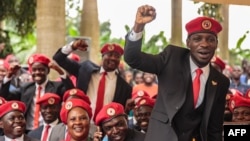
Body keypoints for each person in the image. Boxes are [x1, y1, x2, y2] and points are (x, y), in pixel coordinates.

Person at [123, 5, 230, 141]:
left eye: (210, 39)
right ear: (188, 43)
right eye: (197, 39)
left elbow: (214, 127)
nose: (204, 44)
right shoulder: (171, 58)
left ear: (216, 44)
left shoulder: (220, 81)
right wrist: (138, 26)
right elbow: (133, 58)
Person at [53, 41, 132, 136]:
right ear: (102, 56)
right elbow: (58, 58)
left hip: (106, 131)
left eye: (117, 56)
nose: (113, 58)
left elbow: (121, 113)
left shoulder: (124, 87)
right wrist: (72, 46)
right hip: (81, 126)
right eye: (110, 55)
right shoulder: (86, 70)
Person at [0, 53, 73, 132]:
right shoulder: (25, 88)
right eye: (34, 70)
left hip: (50, 130)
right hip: (28, 131)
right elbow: (5, 96)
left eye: (41, 69)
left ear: (47, 71)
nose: (37, 72)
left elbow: (71, 91)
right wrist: (9, 76)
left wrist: (60, 71)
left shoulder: (57, 87)